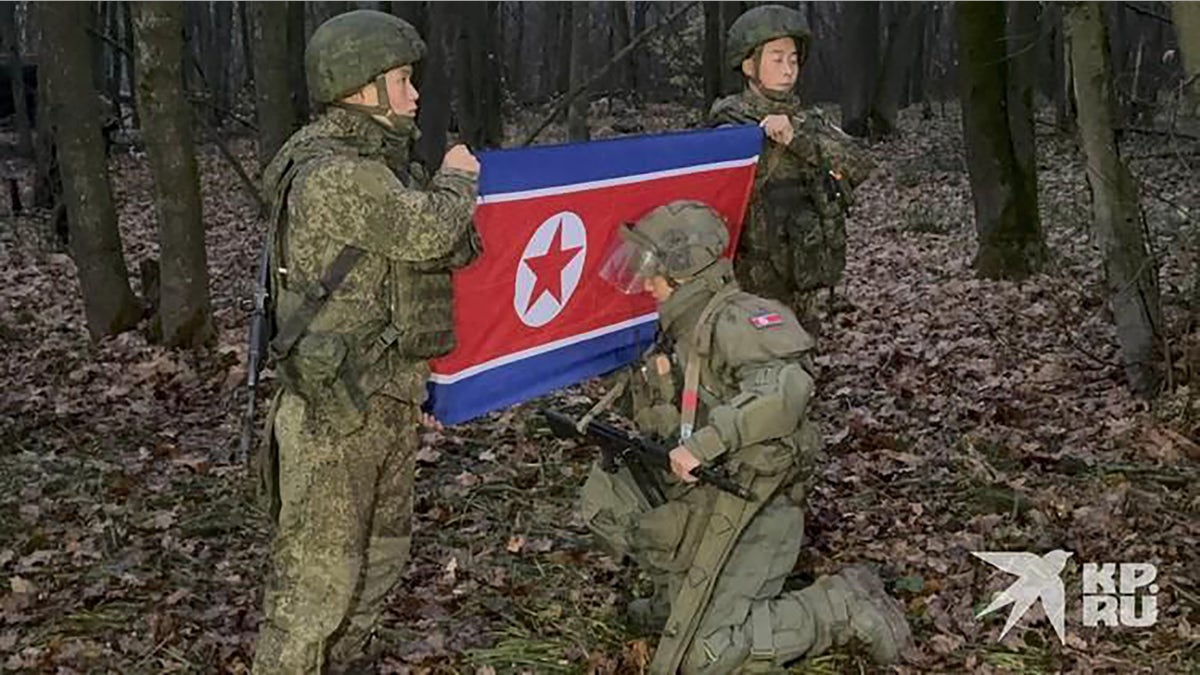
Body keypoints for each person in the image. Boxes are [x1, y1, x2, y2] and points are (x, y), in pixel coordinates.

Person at [583, 200, 911, 674]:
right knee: (608, 493)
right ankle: (676, 591)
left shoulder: (739, 318)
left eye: (652, 269)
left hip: (759, 502)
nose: (646, 282)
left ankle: (840, 606)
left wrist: (706, 444)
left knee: (705, 658)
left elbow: (786, 390)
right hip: (707, 496)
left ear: (684, 269)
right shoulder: (679, 330)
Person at [251, 10, 481, 674]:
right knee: (314, 592)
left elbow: (447, 252)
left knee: (378, 567)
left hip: (384, 400)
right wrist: (459, 179)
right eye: (402, 81)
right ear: (359, 87)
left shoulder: (376, 164)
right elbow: (429, 232)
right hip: (337, 416)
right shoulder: (336, 174)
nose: (413, 95)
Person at [708, 5, 872, 333]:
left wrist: (794, 138)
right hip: (752, 283)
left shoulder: (807, 121)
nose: (788, 70)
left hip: (805, 270)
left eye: (794, 60)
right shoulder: (730, 126)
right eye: (777, 59)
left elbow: (858, 164)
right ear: (748, 64)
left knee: (802, 360)